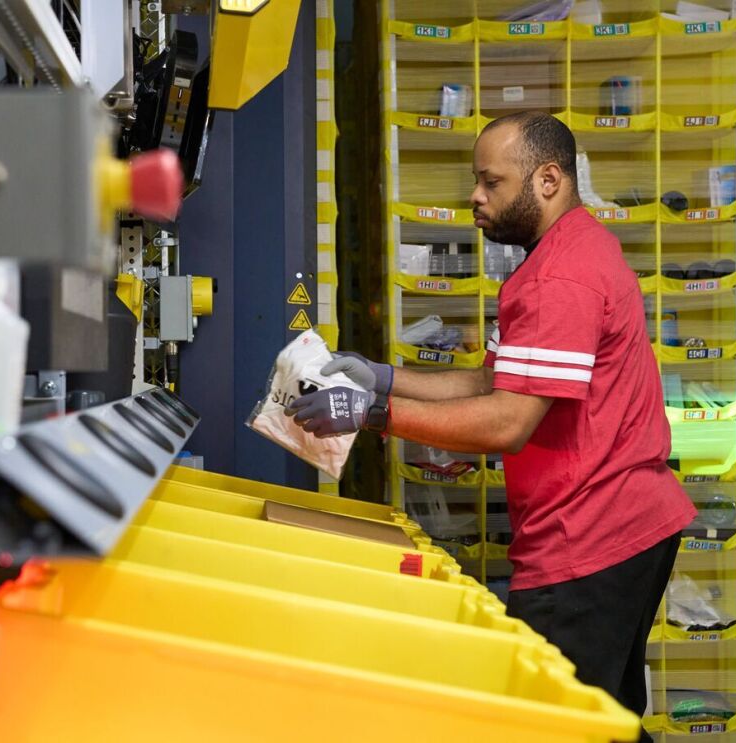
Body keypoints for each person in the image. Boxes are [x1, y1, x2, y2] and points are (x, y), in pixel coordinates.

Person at [288, 111, 696, 738]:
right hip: (624, 521)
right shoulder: (566, 251)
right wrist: (381, 376)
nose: (475, 197)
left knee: (551, 724)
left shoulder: (562, 275)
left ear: (549, 179)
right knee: (601, 720)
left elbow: (507, 421)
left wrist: (370, 413)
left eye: (492, 182)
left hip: (591, 533)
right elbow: (494, 382)